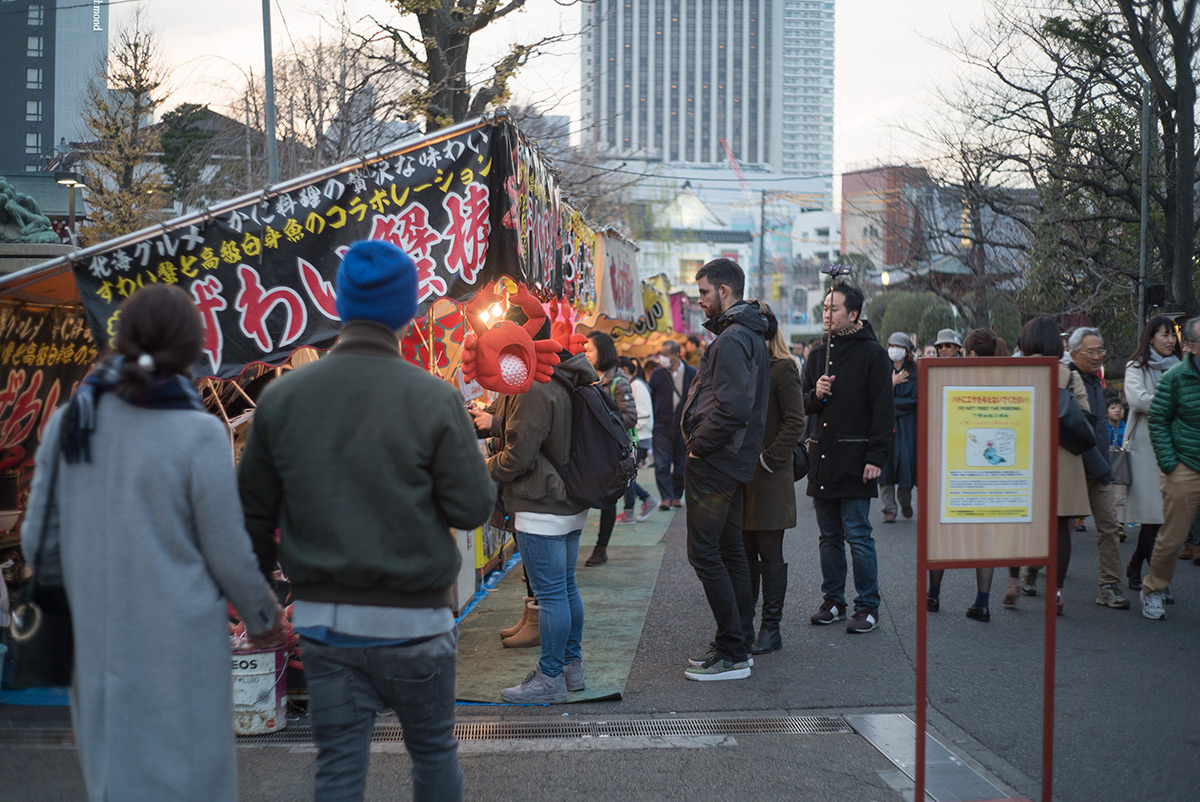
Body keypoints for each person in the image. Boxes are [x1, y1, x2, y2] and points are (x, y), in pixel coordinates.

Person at [239, 240, 495, 801]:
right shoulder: (434, 398)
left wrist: (261, 612)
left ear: (340, 304)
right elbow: (473, 507)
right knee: (432, 755)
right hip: (417, 622)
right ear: (408, 311)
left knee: (338, 769)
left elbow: (253, 516)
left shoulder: (283, 399)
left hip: (326, 622)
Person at [20, 284, 284, 802]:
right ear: (190, 349)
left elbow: (37, 543)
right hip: (179, 646)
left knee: (115, 782)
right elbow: (227, 551)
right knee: (188, 784)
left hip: (95, 641)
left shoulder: (70, 423)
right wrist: (264, 618)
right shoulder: (196, 432)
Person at [470, 310, 599, 701]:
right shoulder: (564, 373)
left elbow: (518, 456)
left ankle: (550, 678)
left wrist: (481, 468)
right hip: (568, 498)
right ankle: (570, 668)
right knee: (565, 589)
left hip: (542, 502)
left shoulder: (533, 385)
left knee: (552, 596)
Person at [680, 258, 770, 679]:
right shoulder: (748, 335)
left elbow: (733, 408)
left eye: (703, 293)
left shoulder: (734, 339)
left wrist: (700, 446)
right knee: (730, 550)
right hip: (731, 461)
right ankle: (737, 642)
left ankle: (733, 650)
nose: (699, 301)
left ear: (725, 292)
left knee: (705, 552)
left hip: (717, 462)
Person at [803, 282, 893, 634]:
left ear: (852, 314)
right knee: (828, 536)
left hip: (857, 458)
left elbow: (883, 412)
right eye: (825, 308)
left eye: (834, 309)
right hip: (822, 457)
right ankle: (834, 600)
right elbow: (802, 404)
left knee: (858, 534)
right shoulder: (815, 355)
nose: (827, 315)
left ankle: (867, 605)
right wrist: (816, 393)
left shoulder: (873, 354)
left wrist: (877, 456)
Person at [741, 303, 805, 655]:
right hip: (742, 475)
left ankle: (771, 628)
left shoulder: (783, 368)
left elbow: (796, 422)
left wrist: (768, 460)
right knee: (746, 552)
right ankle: (745, 624)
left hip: (769, 476)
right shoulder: (746, 365)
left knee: (769, 552)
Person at [1016, 318, 1091, 615]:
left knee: (1021, 521)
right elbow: (1085, 417)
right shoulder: (1068, 375)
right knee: (1061, 528)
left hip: (1024, 456)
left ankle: (1019, 578)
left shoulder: (1016, 372)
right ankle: (1057, 591)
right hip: (1062, 458)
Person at [928, 328, 1003, 620]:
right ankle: (982, 602)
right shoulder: (1005, 379)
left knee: (942, 533)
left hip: (954, 466)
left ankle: (932, 595)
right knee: (985, 539)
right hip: (991, 473)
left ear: (968, 352)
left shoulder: (952, 376)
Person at [1140, 316, 1200, 620]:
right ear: (1189, 345)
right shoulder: (1175, 377)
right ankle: (1153, 589)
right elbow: (1158, 420)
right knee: (1174, 537)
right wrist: (1169, 464)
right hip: (1184, 465)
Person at [1066, 327, 1130, 610]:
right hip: (1075, 466)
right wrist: (1102, 466)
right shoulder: (1067, 380)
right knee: (1060, 527)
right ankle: (1032, 570)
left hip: (1100, 465)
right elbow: (1077, 430)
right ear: (1073, 354)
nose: (1097, 356)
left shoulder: (1097, 380)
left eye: (1100, 351)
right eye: (1090, 352)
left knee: (1108, 526)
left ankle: (1108, 586)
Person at [1124, 317, 1182, 585]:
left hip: (1175, 448)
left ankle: (1135, 566)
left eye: (1173, 335)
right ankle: (1157, 582)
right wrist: (1171, 404)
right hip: (1145, 450)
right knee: (1152, 515)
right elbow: (1137, 400)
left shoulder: (1183, 368)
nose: (1171, 340)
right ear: (1150, 338)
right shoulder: (1135, 367)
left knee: (1161, 518)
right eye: (1165, 335)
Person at [583, 331, 639, 566]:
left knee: (608, 501)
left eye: (590, 349)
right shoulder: (587, 377)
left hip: (611, 450)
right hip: (592, 448)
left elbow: (630, 416)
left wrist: (602, 424)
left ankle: (601, 548)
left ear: (603, 351)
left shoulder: (618, 380)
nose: (586, 353)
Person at [648, 340, 696, 509]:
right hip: (661, 425)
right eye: (661, 354)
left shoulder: (692, 373)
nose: (662, 358)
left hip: (683, 426)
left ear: (677, 355)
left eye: (666, 355)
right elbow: (651, 397)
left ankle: (676, 495)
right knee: (662, 463)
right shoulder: (658, 375)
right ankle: (666, 497)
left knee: (680, 464)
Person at [879, 331, 917, 524]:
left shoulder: (915, 372)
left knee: (906, 464)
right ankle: (888, 508)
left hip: (906, 426)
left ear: (907, 351)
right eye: (892, 345)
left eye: (899, 346)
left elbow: (914, 400)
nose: (894, 350)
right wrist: (890, 384)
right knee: (884, 466)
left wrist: (892, 401)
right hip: (885, 424)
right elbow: (875, 397)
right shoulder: (881, 369)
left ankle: (905, 501)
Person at [616, 356, 657, 524]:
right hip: (636, 437)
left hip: (638, 438)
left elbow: (643, 414)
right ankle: (642, 502)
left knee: (627, 476)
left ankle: (632, 509)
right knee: (627, 476)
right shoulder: (633, 385)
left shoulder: (637, 386)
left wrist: (628, 432)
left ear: (624, 370)